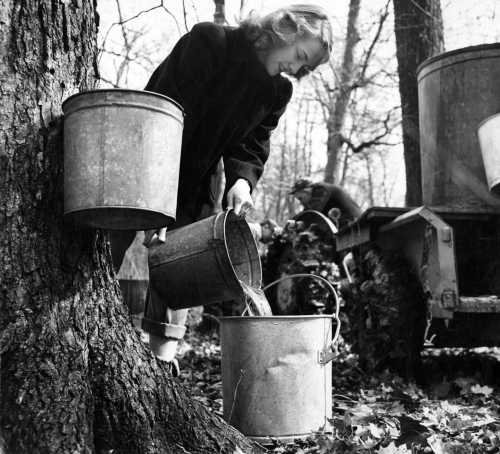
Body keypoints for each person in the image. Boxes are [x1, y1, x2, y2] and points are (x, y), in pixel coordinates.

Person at [111, 5, 334, 369]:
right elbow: (162, 115)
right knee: (111, 240)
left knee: (180, 260)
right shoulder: (210, 42)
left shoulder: (276, 92)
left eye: (304, 68)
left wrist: (243, 181)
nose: (295, 70)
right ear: (285, 29)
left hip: (200, 179)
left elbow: (252, 143)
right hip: (147, 158)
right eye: (299, 56)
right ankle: (86, 318)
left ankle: (162, 362)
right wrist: (157, 198)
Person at [290, 178, 361, 228]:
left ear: (307, 191)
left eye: (300, 198)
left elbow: (311, 214)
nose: (300, 202)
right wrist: (292, 222)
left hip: (352, 222)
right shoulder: (315, 195)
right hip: (344, 223)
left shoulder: (321, 189)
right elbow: (306, 213)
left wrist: (293, 223)